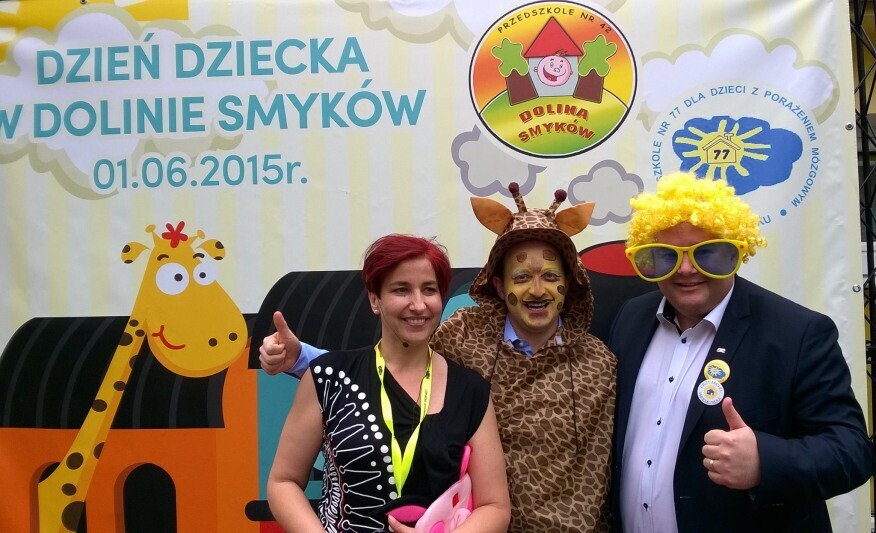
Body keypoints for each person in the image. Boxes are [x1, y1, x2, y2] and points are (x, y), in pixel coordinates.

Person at [262, 185, 617, 532]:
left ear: (570, 281)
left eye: (550, 276)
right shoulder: (464, 336)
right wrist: (303, 359)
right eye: (522, 276)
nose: (537, 289)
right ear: (499, 284)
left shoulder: (597, 364)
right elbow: (384, 369)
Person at [609, 172, 871, 532]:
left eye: (707, 253)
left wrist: (765, 461)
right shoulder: (631, 318)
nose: (686, 269)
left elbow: (852, 450)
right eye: (667, 256)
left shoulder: (798, 333)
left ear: (736, 252)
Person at [267, 235, 510, 533]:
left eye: (429, 289)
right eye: (401, 289)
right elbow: (284, 481)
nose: (418, 304)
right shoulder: (327, 377)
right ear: (375, 300)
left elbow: (494, 507)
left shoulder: (469, 391)